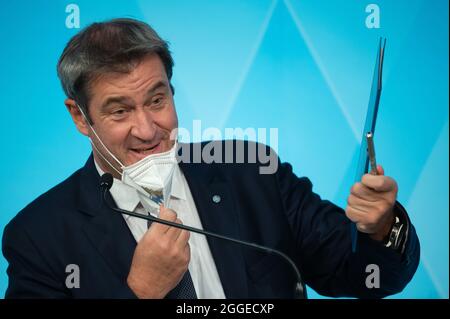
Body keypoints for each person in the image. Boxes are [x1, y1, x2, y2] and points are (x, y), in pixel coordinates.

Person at [2, 18, 419, 299]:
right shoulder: (38, 236)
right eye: (120, 111)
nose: (148, 130)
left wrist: (381, 228)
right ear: (80, 116)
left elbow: (363, 276)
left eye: (157, 100)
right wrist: (141, 293)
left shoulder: (254, 171)